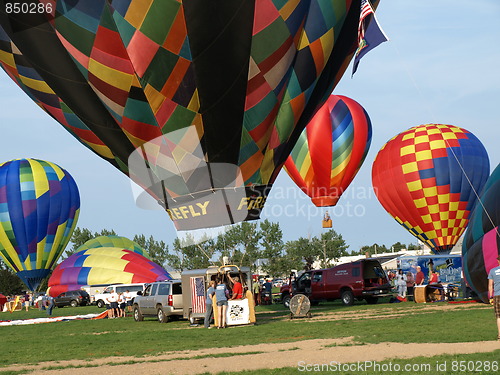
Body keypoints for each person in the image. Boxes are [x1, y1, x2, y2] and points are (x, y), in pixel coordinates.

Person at [487, 255, 500, 340]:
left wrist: (491, 297)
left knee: (498, 316)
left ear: (498, 261)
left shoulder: (492, 271)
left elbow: (490, 285)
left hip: (497, 295)